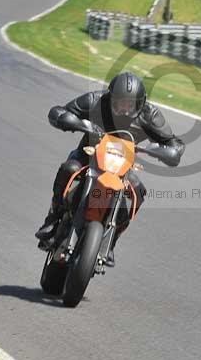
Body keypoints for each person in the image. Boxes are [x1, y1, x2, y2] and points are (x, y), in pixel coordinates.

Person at [35, 72, 185, 266]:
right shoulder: (95, 100)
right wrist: (74, 122)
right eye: (120, 103)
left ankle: (111, 240)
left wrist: (167, 152)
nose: (124, 108)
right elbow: (58, 111)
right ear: (110, 97)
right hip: (87, 156)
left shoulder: (150, 114)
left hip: (121, 167)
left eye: (130, 105)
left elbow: (175, 144)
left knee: (138, 192)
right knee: (69, 168)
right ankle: (53, 219)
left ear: (140, 103)